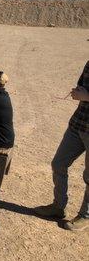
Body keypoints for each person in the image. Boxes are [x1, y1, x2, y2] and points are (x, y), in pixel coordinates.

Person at [34, 61, 89, 231]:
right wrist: (78, 92)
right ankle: (58, 207)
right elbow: (82, 85)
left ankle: (85, 216)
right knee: (58, 163)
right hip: (78, 124)